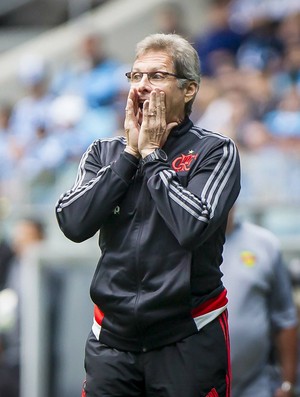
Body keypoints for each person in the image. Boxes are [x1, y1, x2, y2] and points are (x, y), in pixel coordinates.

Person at [55, 33, 241, 397]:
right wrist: (129, 156)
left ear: (188, 90)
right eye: (135, 76)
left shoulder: (215, 151)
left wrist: (154, 157)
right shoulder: (104, 151)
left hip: (187, 335)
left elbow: (193, 225)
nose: (142, 86)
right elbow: (72, 223)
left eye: (156, 76)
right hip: (111, 339)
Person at [221, 207, 298, 397]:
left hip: (254, 386)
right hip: (196, 386)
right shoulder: (184, 246)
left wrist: (287, 385)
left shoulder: (265, 244)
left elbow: (285, 318)